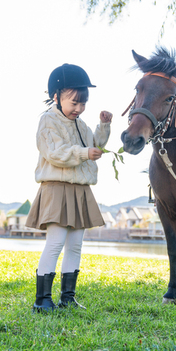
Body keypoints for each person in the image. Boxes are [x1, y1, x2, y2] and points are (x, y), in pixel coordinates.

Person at [26, 63, 112, 312]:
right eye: (74, 103)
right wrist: (85, 152)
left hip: (79, 188)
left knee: (75, 245)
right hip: (57, 187)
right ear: (56, 96)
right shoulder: (48, 121)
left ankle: (67, 297)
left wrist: (103, 127)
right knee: (55, 243)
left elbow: (93, 144)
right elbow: (55, 153)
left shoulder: (81, 124)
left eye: (83, 103)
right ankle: (42, 300)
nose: (79, 108)